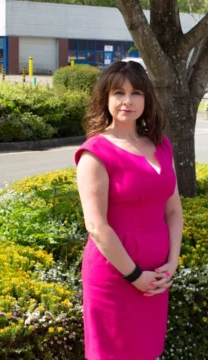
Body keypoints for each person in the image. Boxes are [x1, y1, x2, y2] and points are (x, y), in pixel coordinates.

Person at [75, 60, 183, 360]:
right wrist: (135, 275)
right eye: (118, 93)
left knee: (147, 351)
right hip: (115, 279)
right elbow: (96, 226)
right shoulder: (95, 152)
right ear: (105, 99)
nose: (127, 101)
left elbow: (173, 211)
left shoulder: (161, 146)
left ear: (146, 99)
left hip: (157, 279)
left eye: (136, 92)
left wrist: (171, 263)